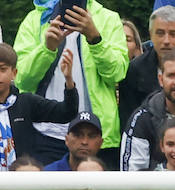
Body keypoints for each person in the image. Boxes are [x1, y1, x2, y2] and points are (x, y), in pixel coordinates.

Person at [13, 0, 129, 165]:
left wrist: (94, 38)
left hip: (95, 135)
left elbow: (116, 74)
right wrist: (47, 49)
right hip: (46, 134)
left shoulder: (108, 19)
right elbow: (22, 80)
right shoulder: (34, 20)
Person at [0, 42, 79, 170]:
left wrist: (68, 80)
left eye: (3, 69)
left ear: (14, 73)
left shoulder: (26, 102)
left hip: (21, 178)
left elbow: (67, 113)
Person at [117, 6, 175, 129]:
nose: (166, 40)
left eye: (173, 34)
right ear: (151, 35)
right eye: (160, 33)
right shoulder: (134, 70)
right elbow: (128, 119)